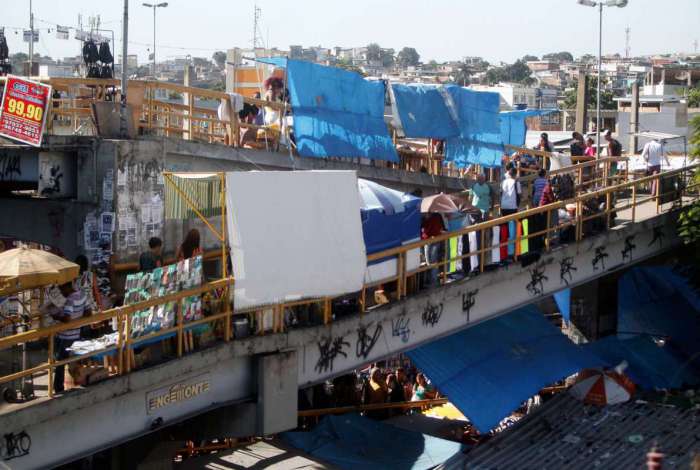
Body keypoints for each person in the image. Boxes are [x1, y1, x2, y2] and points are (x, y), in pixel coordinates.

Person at [52, 282, 91, 394]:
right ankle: (80, 380)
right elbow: (89, 312)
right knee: (73, 360)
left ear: (67, 287)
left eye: (61, 289)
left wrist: (57, 316)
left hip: (65, 336)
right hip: (76, 334)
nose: (61, 292)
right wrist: (78, 317)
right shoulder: (83, 294)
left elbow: (67, 319)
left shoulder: (70, 300)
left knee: (60, 363)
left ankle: (58, 388)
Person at [421, 212, 446, 287]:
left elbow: (422, 229)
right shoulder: (437, 215)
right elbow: (443, 227)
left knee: (431, 262)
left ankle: (433, 281)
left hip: (430, 241)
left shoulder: (425, 217)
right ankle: (433, 281)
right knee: (431, 262)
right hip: (433, 240)